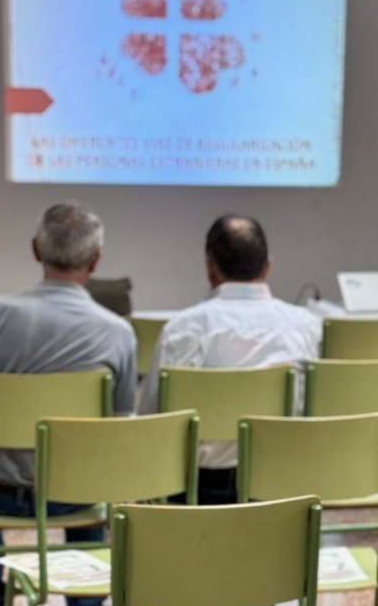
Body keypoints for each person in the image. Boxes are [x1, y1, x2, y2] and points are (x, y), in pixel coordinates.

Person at [0, 203, 137, 606]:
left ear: (35, 250)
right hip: (70, 498)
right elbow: (119, 439)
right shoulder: (117, 332)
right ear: (97, 259)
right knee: (92, 468)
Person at [138, 214, 322, 503]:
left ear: (210, 267)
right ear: (267, 267)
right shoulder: (306, 326)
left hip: (197, 490)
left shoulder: (182, 329)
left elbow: (151, 421)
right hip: (282, 487)